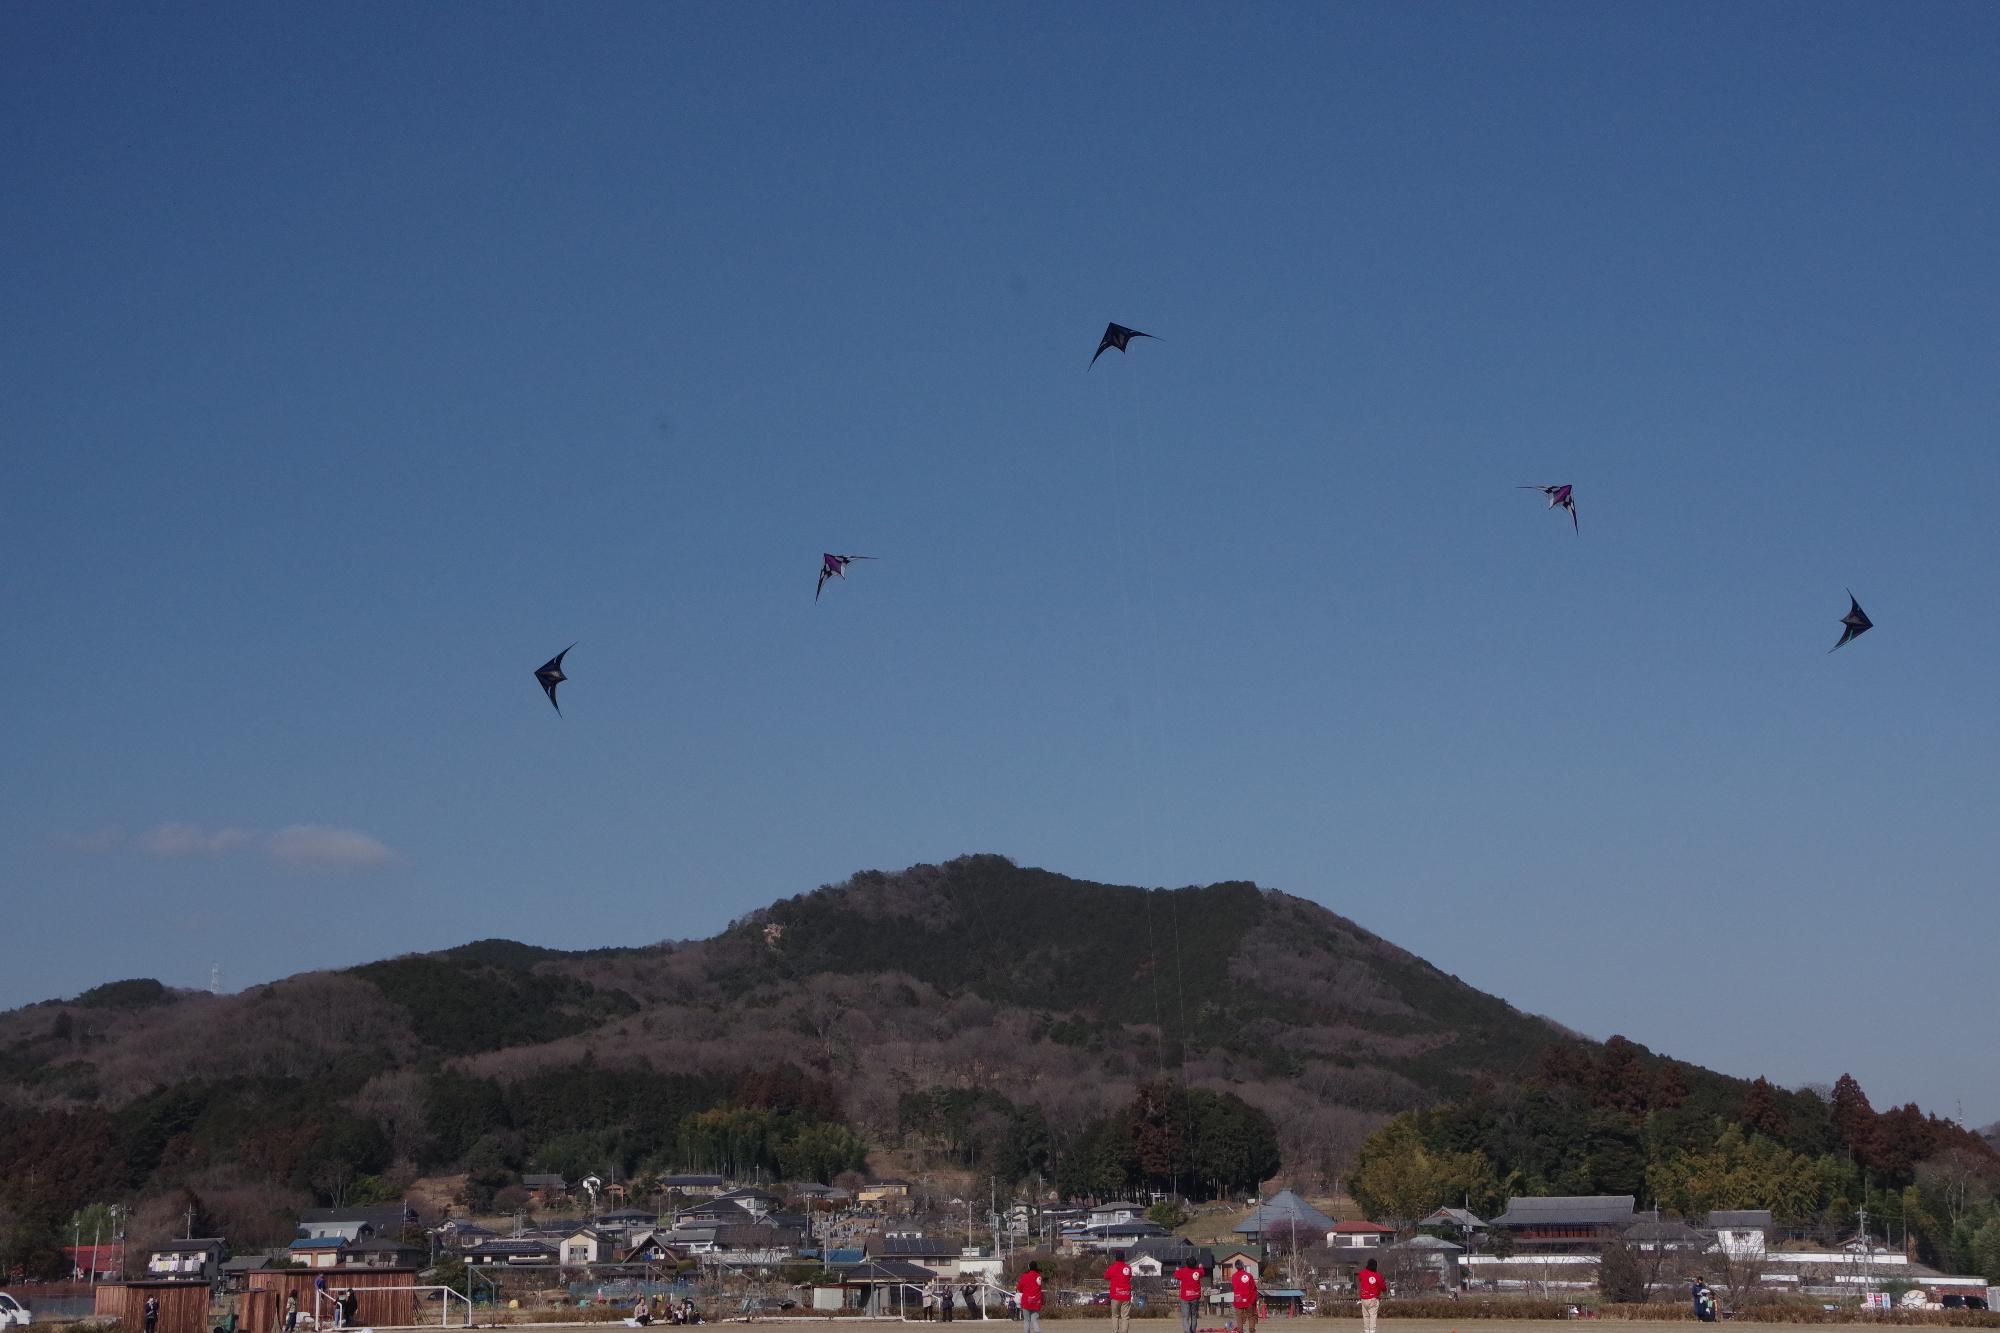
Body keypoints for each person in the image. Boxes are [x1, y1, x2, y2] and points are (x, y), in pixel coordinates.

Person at [1173, 1257, 1206, 1333]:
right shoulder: (1198, 1271)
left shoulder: (1182, 1271)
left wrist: (1177, 1269)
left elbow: (1176, 1275)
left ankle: (1188, 1331)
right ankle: (1193, 1331)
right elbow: (1203, 1272)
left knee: (1185, 1317)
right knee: (1194, 1316)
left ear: (1186, 1263)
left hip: (1185, 1297)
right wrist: (1201, 1266)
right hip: (1195, 1296)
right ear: (1195, 1263)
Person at [1105, 1249, 1135, 1333]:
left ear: (1116, 1258)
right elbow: (1129, 1277)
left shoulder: (1112, 1267)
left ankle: (1115, 1331)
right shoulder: (1128, 1268)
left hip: (1115, 1295)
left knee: (1115, 1316)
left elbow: (1106, 1276)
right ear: (1124, 1257)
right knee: (1125, 1317)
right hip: (1126, 1295)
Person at [1230, 1259, 1259, 1333]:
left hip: (1238, 1300)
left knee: (1239, 1317)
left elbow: (1234, 1287)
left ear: (1236, 1267)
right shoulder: (1249, 1276)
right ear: (1243, 1265)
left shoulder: (1233, 1277)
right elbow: (1253, 1288)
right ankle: (1252, 1330)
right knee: (1251, 1316)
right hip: (1249, 1300)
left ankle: (1240, 1330)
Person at [1357, 1258, 1385, 1333]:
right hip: (1373, 1298)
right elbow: (1383, 1287)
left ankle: (1366, 1331)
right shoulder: (1377, 1275)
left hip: (1363, 1298)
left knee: (1366, 1316)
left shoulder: (1362, 1273)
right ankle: (1372, 1331)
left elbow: (1360, 1279)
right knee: (1373, 1316)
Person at [1015, 1261, 1044, 1333]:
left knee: (1026, 1321)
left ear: (1029, 1267)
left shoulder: (1024, 1276)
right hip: (1036, 1301)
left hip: (1026, 1301)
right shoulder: (1039, 1276)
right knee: (1035, 1320)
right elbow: (1039, 1288)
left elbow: (1019, 1288)